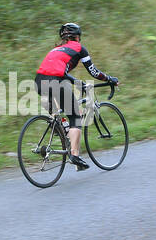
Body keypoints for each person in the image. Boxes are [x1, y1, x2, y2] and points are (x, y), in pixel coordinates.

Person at [34, 22, 118, 170]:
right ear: (77, 37)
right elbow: (93, 72)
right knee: (76, 117)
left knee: (59, 114)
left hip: (39, 82)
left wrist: (77, 82)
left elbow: (60, 71)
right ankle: (75, 156)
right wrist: (109, 78)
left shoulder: (56, 50)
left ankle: (62, 129)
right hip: (55, 81)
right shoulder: (79, 48)